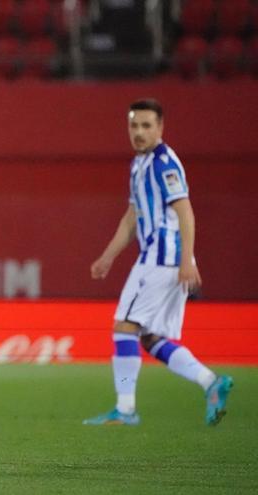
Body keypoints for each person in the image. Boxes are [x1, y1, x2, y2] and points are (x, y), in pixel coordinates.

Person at [83, 98, 233, 426]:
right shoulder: (140, 164)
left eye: (146, 126)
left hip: (162, 259)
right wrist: (108, 256)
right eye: (134, 125)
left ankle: (125, 409)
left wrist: (186, 261)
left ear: (161, 128)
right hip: (161, 259)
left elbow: (185, 212)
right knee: (150, 338)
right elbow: (132, 217)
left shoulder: (164, 163)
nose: (139, 132)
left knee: (124, 328)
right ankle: (211, 382)